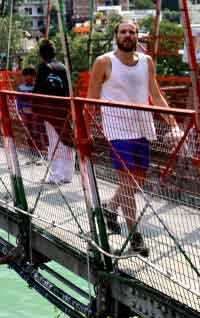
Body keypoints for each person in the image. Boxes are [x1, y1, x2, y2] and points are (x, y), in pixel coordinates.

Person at [88, 21, 173, 258]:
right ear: (116, 36)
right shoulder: (104, 62)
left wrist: (173, 124)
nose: (127, 35)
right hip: (118, 131)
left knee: (137, 180)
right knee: (128, 182)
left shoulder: (146, 62)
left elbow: (155, 95)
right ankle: (135, 236)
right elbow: (91, 98)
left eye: (132, 32)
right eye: (123, 32)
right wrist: (84, 129)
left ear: (137, 36)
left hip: (142, 128)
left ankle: (109, 207)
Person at [32, 40, 75, 185]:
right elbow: (69, 89)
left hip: (49, 111)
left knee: (53, 142)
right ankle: (67, 175)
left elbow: (37, 91)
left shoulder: (44, 67)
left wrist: (35, 108)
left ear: (41, 54)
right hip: (63, 109)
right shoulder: (63, 67)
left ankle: (55, 176)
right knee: (67, 141)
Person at [16, 66, 45, 154]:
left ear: (34, 76)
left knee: (36, 132)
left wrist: (38, 112)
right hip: (25, 112)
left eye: (30, 74)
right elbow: (18, 101)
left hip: (35, 112)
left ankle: (38, 152)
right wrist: (20, 112)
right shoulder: (20, 87)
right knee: (28, 132)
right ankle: (32, 152)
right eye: (26, 75)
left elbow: (40, 100)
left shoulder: (37, 87)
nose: (28, 77)